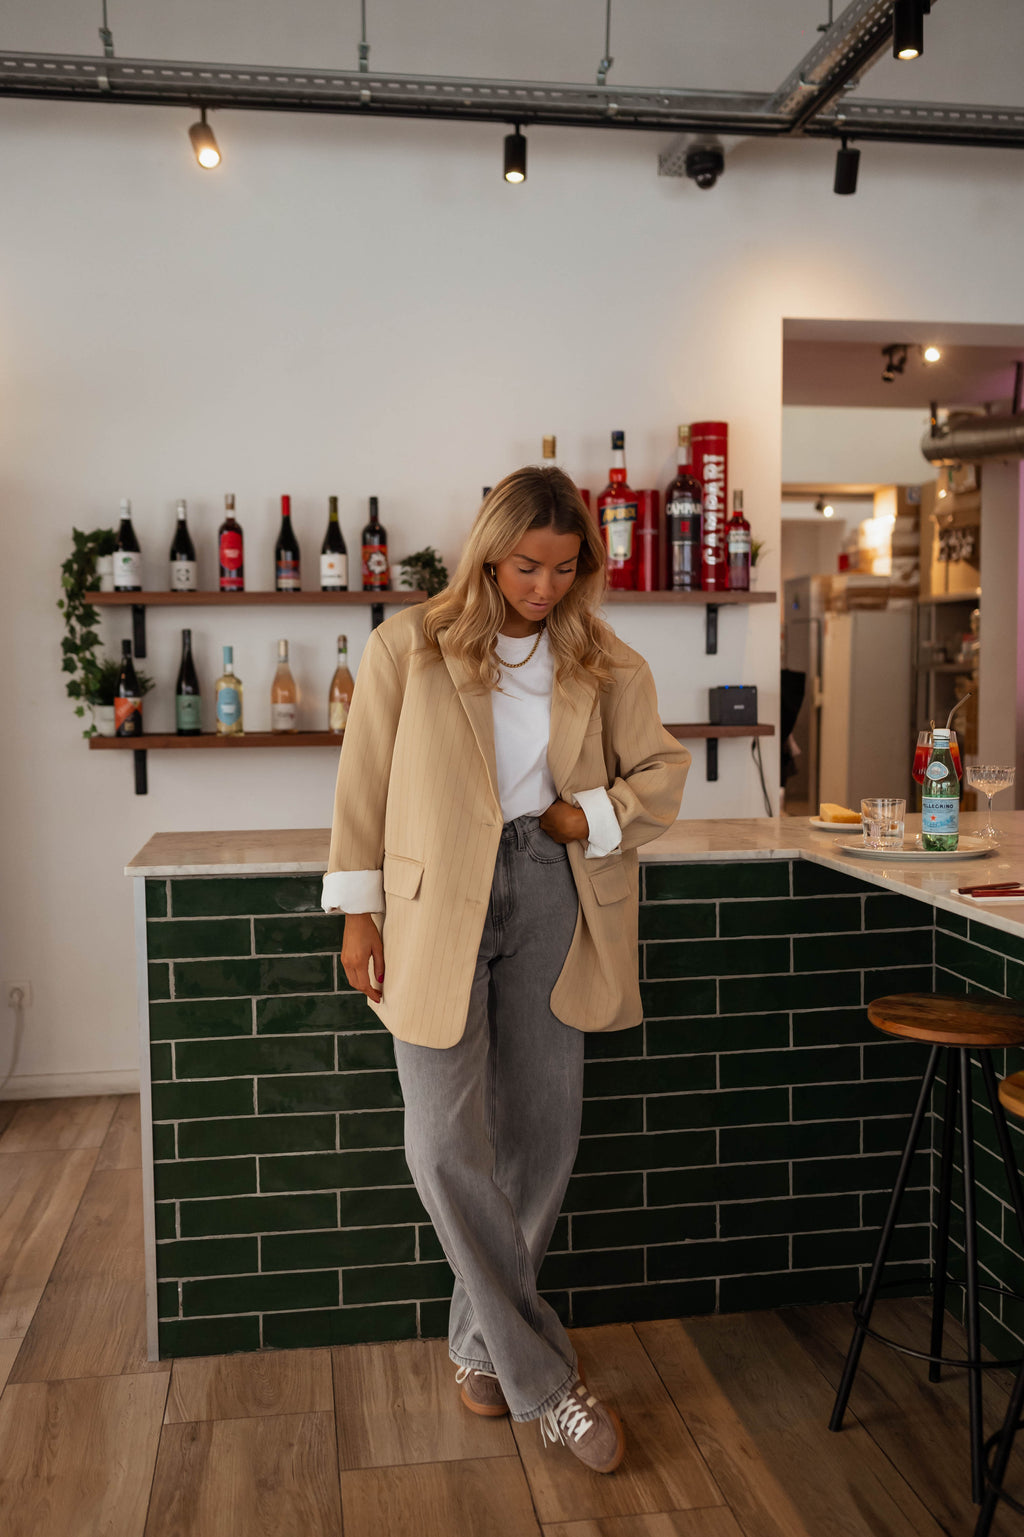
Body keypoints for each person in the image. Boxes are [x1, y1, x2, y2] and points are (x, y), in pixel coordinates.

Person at [322, 465, 689, 1474]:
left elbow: (661, 769)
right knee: (442, 1143)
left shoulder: (602, 658)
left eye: (563, 569)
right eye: (526, 565)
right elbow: (362, 784)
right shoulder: (412, 644)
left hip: (549, 888)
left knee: (542, 1135)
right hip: (432, 898)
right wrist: (356, 912)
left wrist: (593, 815)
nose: (542, 586)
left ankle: (485, 1352)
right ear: (488, 551)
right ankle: (546, 1383)